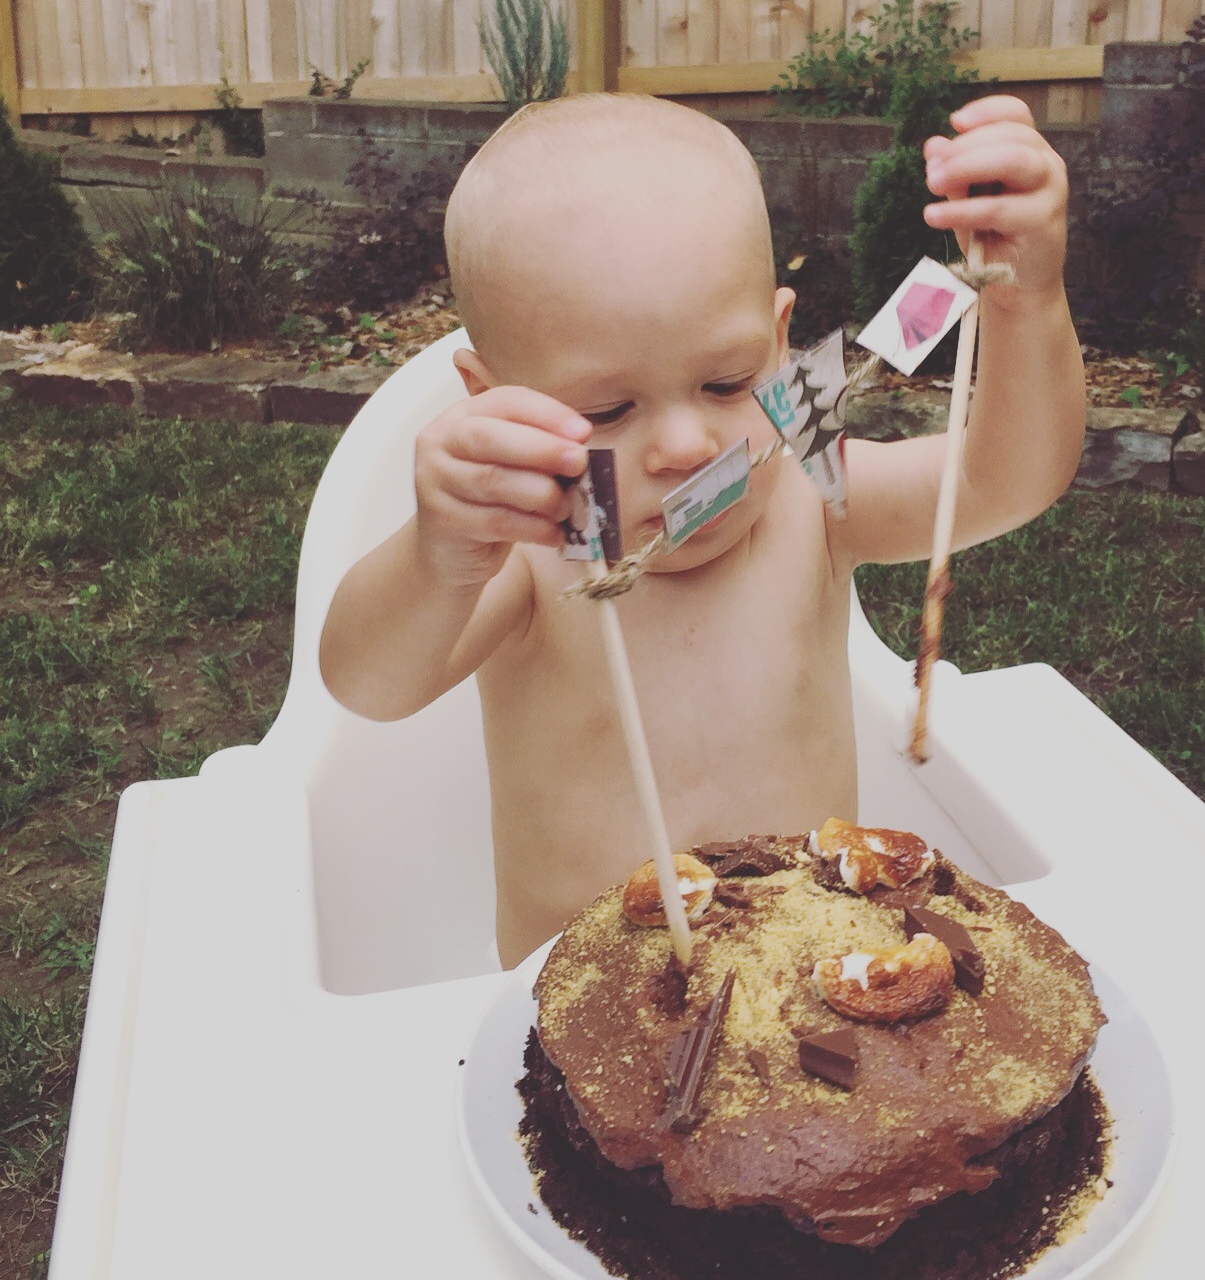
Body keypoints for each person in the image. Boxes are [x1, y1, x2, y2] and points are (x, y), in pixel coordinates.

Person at [319, 91, 1085, 967]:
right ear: (493, 402)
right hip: (579, 1006)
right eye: (607, 410)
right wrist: (437, 560)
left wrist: (1027, 303)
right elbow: (368, 686)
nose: (686, 447)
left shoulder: (805, 475)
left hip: (808, 980)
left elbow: (1002, 480)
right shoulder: (538, 547)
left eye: (725, 383)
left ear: (780, 343)